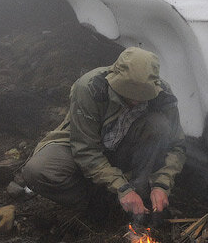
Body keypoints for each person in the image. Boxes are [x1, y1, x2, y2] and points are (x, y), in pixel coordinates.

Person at [10, 47, 185, 220]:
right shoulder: (90, 87)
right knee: (37, 171)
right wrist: (121, 189)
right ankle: (99, 203)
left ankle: (139, 191)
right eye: (128, 92)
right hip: (85, 144)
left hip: (125, 149)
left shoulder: (163, 95)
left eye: (142, 95)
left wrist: (162, 184)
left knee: (160, 125)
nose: (136, 100)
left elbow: (176, 145)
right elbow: (85, 150)